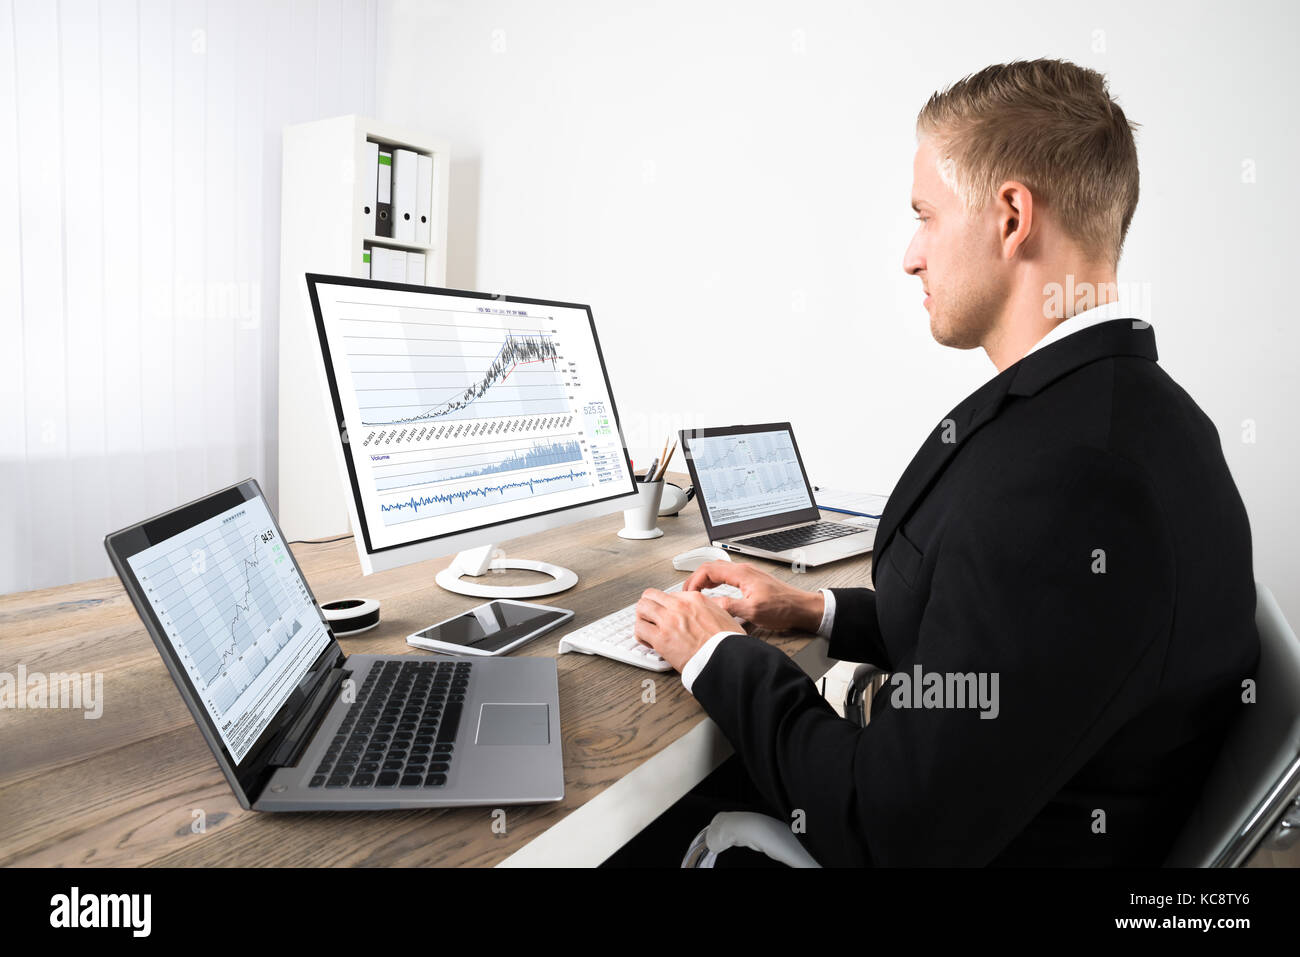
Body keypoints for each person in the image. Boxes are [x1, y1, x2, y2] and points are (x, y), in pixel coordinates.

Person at [631, 58, 1259, 867]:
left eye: (926, 215)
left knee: (641, 832)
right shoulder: (1124, 413)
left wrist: (716, 652)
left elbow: (883, 824)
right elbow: (999, 650)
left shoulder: (1077, 478)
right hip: (1020, 807)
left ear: (1010, 216)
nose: (910, 255)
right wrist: (816, 611)